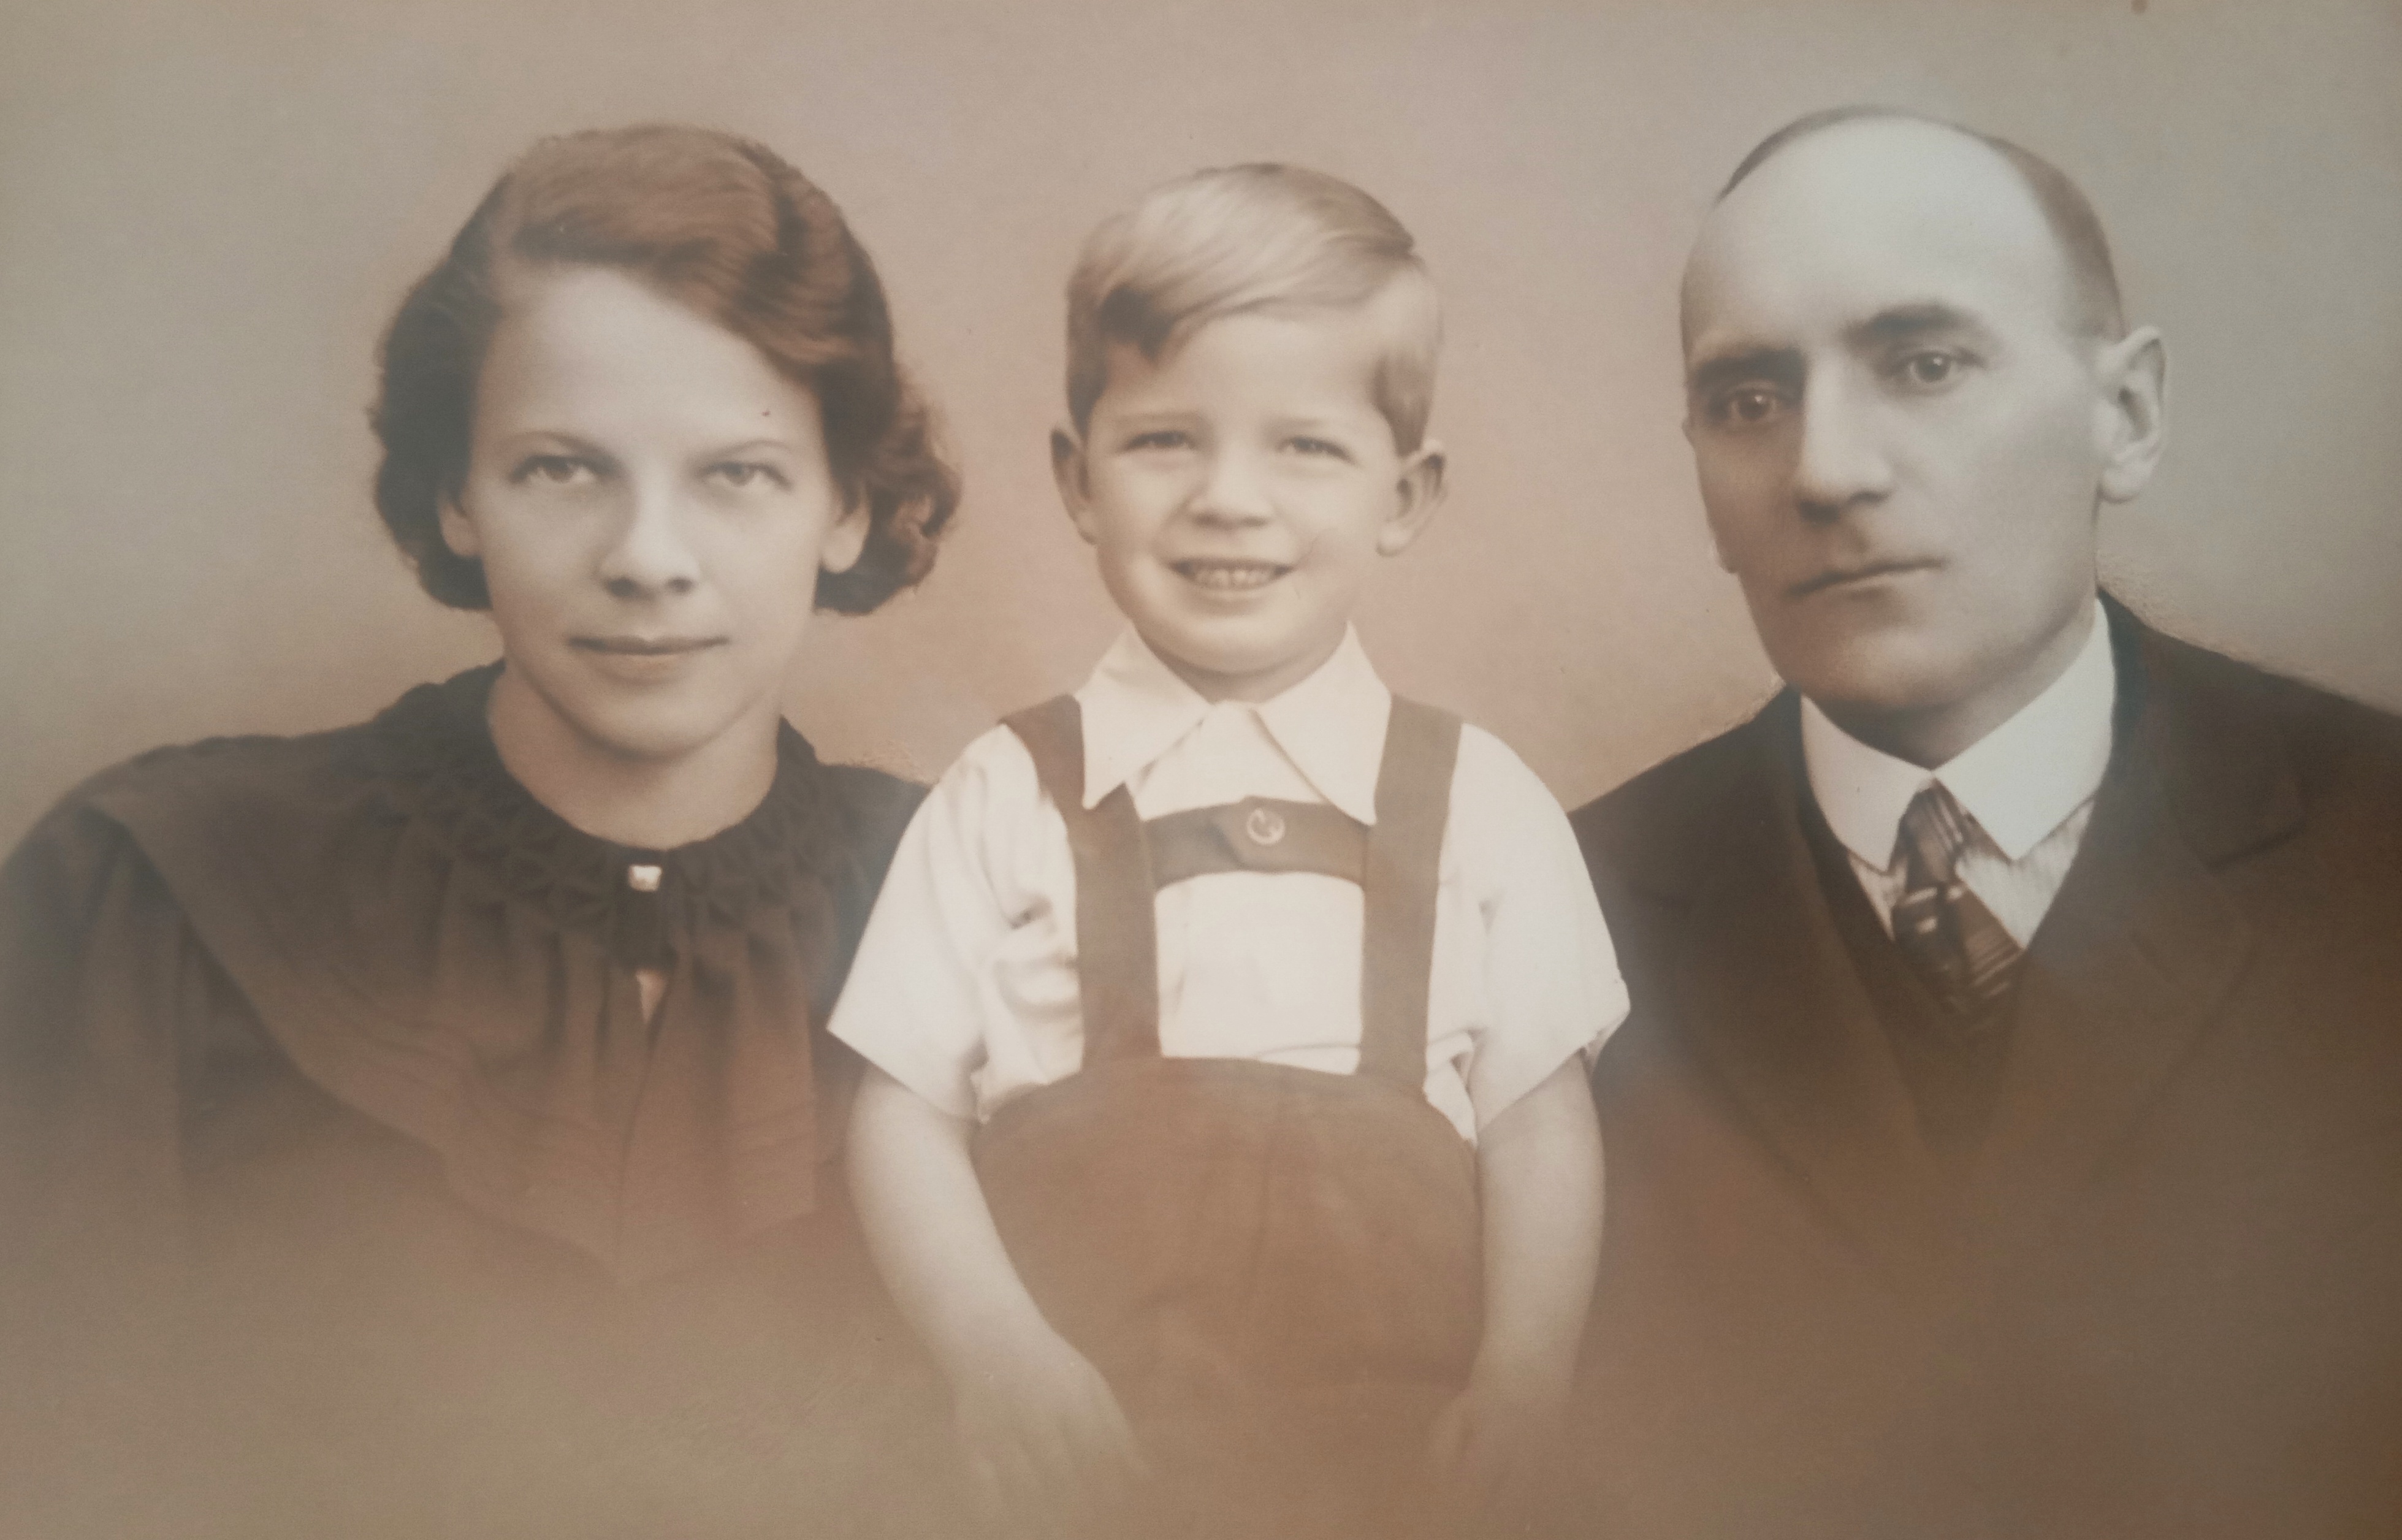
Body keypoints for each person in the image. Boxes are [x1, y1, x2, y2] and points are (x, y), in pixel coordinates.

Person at [0, 124, 962, 1538]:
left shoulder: (979, 903)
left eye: (737, 474)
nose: (647, 557)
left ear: (847, 506)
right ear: (458, 495)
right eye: (563, 468)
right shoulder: (154, 895)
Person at [1570, 107, 2402, 1539]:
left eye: (1926, 364)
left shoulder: (2377, 846)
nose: (1825, 470)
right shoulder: (1548, 911)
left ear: (2125, 416)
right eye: (1751, 398)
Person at [831, 164, 1625, 1538]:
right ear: (1077, 479)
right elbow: (900, 1111)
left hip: (1395, 1480)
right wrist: (996, 1357)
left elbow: (1538, 1123)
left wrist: (1525, 1374)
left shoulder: (1484, 805)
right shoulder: (1002, 792)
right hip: (1079, 1466)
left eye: (1304, 446)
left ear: (1405, 493)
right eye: (1165, 441)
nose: (1228, 499)